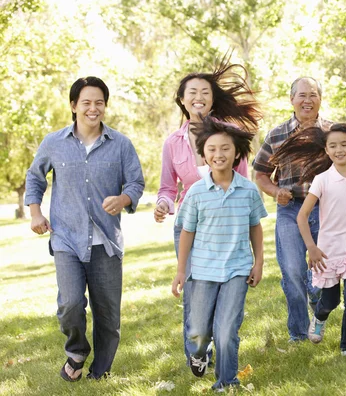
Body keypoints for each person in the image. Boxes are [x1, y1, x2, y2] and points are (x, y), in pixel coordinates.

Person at [25, 76, 145, 381]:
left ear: (105, 106)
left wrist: (123, 199)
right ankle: (76, 351)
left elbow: (135, 182)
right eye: (87, 102)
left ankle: (100, 371)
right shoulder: (54, 142)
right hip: (67, 237)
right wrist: (36, 213)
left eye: (99, 102)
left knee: (108, 314)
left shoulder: (121, 145)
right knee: (70, 303)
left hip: (106, 241)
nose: (93, 108)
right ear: (74, 106)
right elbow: (35, 178)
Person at [155, 54, 261, 362]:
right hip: (190, 225)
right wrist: (163, 204)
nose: (198, 97)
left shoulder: (229, 136)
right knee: (193, 289)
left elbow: (242, 182)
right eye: (192, 93)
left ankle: (216, 339)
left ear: (212, 100)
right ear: (183, 101)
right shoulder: (173, 142)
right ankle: (198, 350)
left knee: (224, 288)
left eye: (205, 92)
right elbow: (167, 187)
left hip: (226, 225)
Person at [171, 118, 267, 392]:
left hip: (237, 269)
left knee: (226, 331)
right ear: (203, 154)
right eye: (212, 149)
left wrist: (258, 262)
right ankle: (199, 354)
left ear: (237, 152)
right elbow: (187, 232)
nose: (218, 154)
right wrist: (181, 271)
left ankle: (226, 381)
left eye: (225, 148)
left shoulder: (248, 190)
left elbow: (255, 228)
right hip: (202, 271)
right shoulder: (196, 192)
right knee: (199, 332)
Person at [273, 123, 346, 360]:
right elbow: (302, 216)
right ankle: (320, 317)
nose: (339, 149)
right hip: (328, 252)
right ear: (326, 150)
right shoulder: (321, 180)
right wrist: (312, 248)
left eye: (344, 144)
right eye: (333, 145)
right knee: (330, 301)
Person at [253, 77, 334, 342]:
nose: (307, 100)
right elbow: (261, 174)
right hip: (290, 211)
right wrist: (277, 192)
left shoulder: (333, 133)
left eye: (313, 95)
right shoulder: (277, 135)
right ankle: (299, 333)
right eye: (302, 95)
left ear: (320, 99)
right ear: (292, 100)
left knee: (322, 274)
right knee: (292, 271)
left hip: (325, 211)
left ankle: (317, 311)